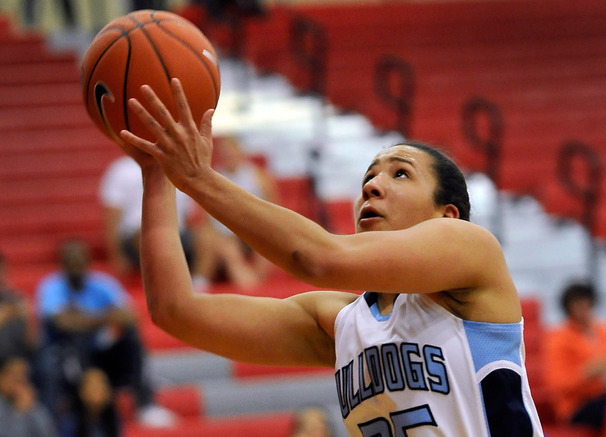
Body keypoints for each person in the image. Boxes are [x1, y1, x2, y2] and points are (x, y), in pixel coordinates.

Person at [117, 78, 544, 436]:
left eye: (400, 173)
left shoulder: (472, 251)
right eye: (369, 176)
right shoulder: (342, 323)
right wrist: (158, 175)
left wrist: (198, 178)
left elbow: (319, 257)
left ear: (447, 214)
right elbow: (176, 310)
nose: (372, 186)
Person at [34, 239, 176, 431]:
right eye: (71, 263)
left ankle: (145, 404)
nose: (77, 268)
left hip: (98, 353)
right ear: (62, 265)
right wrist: (104, 316)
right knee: (72, 340)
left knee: (131, 342)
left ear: (88, 262)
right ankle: (55, 420)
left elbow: (129, 316)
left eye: (80, 262)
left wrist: (81, 317)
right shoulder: (51, 286)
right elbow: (61, 322)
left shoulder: (102, 284)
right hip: (66, 355)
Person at [99, 154, 213, 285]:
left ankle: (199, 283)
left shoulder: (177, 166)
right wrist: (116, 255)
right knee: (150, 233)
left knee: (207, 236)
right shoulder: (122, 170)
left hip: (175, 232)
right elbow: (112, 218)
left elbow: (188, 216)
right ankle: (167, 285)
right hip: (136, 236)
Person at [544, 282, 606, 433]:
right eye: (576, 302)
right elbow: (557, 384)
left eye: (584, 301)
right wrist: (587, 373)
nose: (582, 306)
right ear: (567, 307)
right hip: (579, 405)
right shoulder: (558, 339)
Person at [193, 135, 278, 290]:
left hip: (255, 229)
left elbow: (275, 209)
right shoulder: (213, 177)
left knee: (271, 238)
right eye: (224, 153)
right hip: (224, 232)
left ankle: (255, 281)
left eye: (231, 151)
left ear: (240, 152)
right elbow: (206, 216)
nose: (228, 156)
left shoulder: (258, 177)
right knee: (221, 244)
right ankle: (202, 280)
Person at [0, 356, 57, 437]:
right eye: (14, 376)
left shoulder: (32, 405)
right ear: (2, 378)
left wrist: (32, 408)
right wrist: (19, 413)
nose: (19, 383)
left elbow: (49, 433)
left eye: (23, 377)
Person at [0, 252, 34, 364]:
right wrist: (5, 315)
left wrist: (29, 318)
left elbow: (32, 342)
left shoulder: (17, 300)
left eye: (3, 271)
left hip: (15, 361)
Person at [67, 367, 121, 437]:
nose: (97, 392)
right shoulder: (72, 424)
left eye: (101, 386)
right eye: (92, 387)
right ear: (81, 391)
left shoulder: (115, 422)